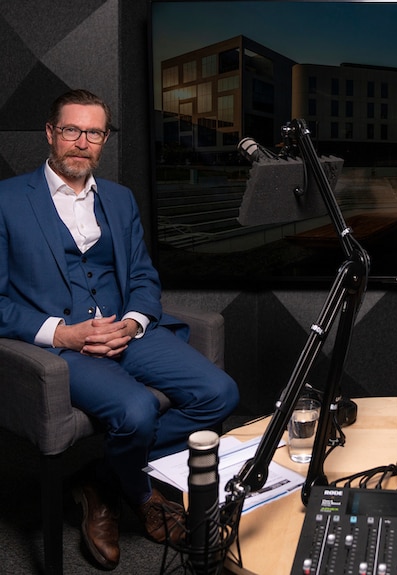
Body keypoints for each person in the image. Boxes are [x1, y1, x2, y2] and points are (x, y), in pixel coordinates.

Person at [0, 89, 240, 570]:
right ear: (51, 133)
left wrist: (132, 323)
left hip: (128, 332)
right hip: (66, 347)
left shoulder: (120, 199)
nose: (81, 142)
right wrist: (62, 334)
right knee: (135, 412)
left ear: (104, 139)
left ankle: (100, 477)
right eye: (71, 130)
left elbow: (144, 276)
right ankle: (142, 495)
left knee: (220, 393)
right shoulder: (7, 200)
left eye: (94, 132)